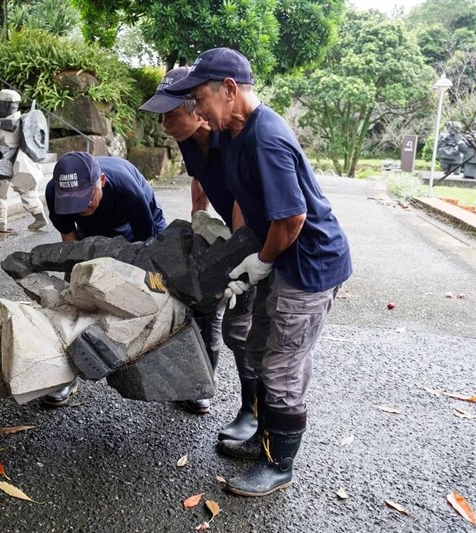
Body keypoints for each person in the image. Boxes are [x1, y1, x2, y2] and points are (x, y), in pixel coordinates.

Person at [166, 47, 352, 497]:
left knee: (282, 362)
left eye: (200, 100)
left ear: (229, 91)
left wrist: (262, 261)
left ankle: (279, 464)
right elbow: (236, 195)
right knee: (259, 344)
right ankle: (264, 439)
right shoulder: (234, 130)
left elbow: (292, 219)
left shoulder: (266, 137)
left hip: (307, 264)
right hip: (283, 257)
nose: (197, 111)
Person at [139, 67, 257, 440]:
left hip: (259, 238)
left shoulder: (231, 135)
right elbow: (199, 177)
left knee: (241, 328)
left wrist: (236, 254)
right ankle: (200, 386)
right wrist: (198, 222)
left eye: (170, 113)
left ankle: (252, 412)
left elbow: (243, 196)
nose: (163, 123)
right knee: (203, 305)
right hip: (228, 231)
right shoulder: (191, 139)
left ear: (196, 107)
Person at [40, 151, 171, 407]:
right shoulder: (54, 193)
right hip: (92, 235)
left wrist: (147, 282)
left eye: (85, 200)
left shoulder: (127, 190)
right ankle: (64, 374)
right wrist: (77, 284)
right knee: (74, 296)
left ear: (100, 180)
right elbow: (71, 247)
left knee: (157, 289)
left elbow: (146, 250)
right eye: (73, 203)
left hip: (139, 231)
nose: (81, 208)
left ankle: (176, 373)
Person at [0, 89, 48, 233]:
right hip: (23, 163)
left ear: (4, 106)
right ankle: (40, 217)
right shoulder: (23, 120)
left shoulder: (4, 127)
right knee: (28, 193)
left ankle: (0, 224)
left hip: (5, 165)